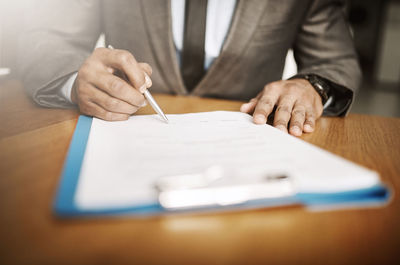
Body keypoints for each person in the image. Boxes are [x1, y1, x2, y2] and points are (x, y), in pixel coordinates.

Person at [19, 0, 361, 136]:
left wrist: (310, 86)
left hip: (249, 150)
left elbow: (335, 61)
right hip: (126, 138)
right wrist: (75, 80)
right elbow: (43, 37)